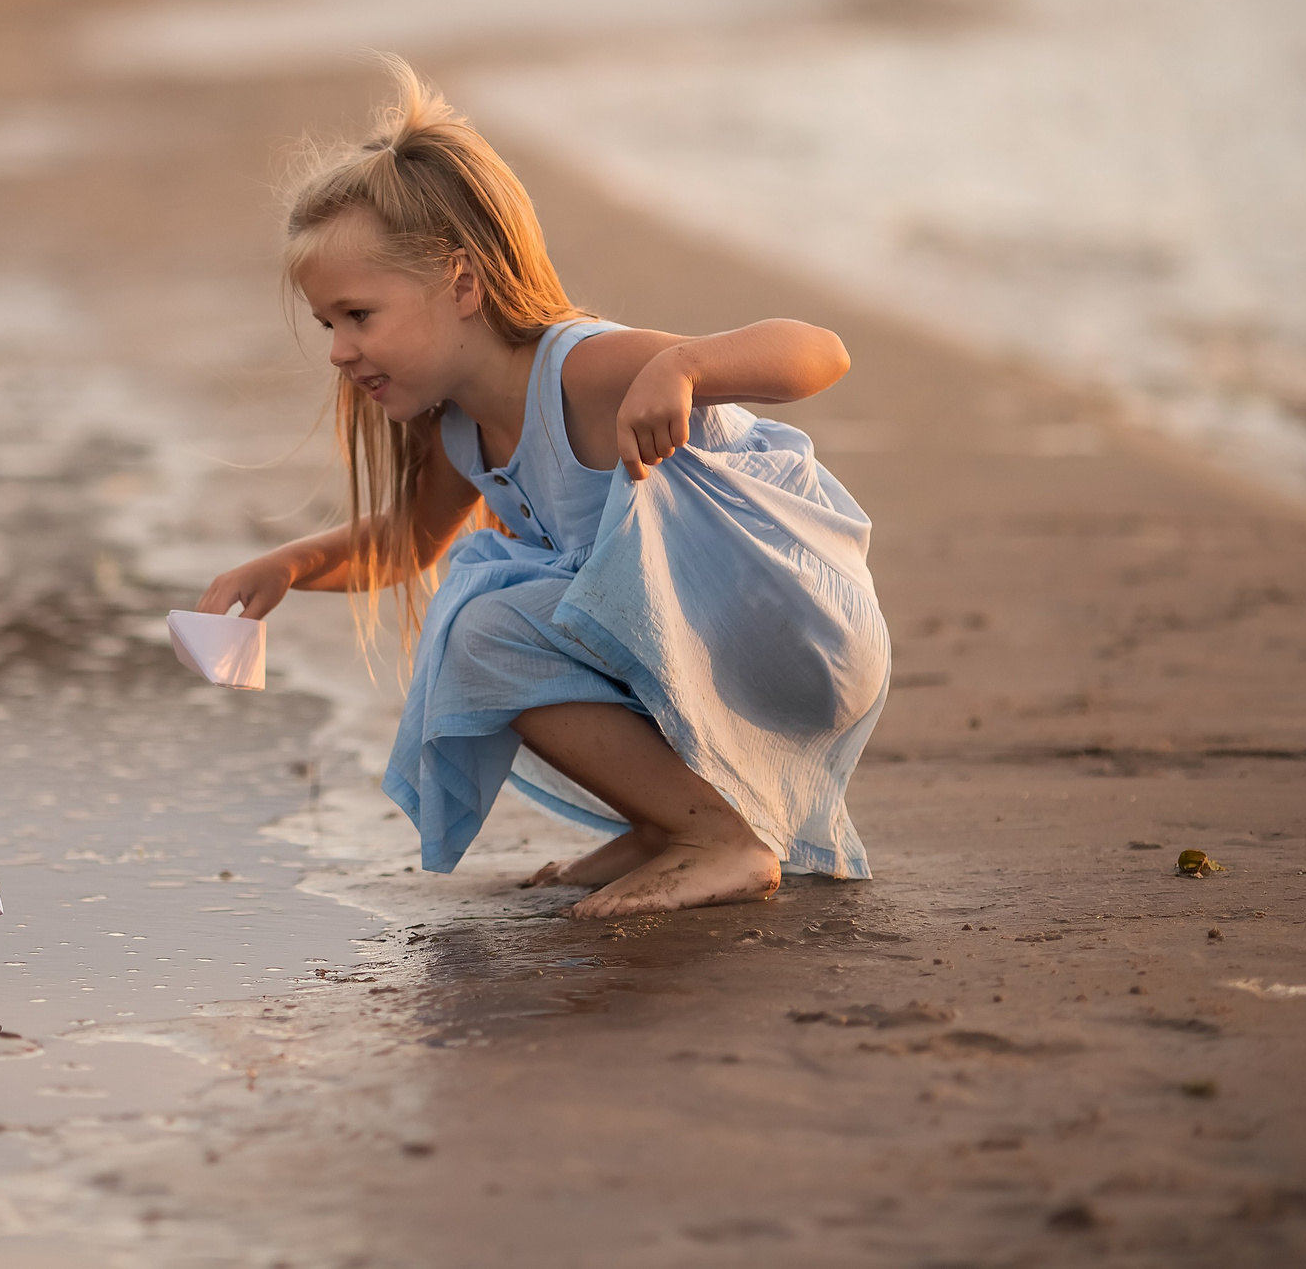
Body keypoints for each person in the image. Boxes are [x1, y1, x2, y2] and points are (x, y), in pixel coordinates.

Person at [199, 62, 889, 919]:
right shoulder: (461, 428)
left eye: (359, 315)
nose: (339, 350)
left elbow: (820, 350)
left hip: (788, 624)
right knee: (501, 606)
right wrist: (291, 566)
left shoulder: (584, 368)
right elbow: (412, 542)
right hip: (689, 644)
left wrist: (682, 364)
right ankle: (673, 820)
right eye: (327, 324)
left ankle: (720, 839)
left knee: (484, 623)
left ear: (462, 284)